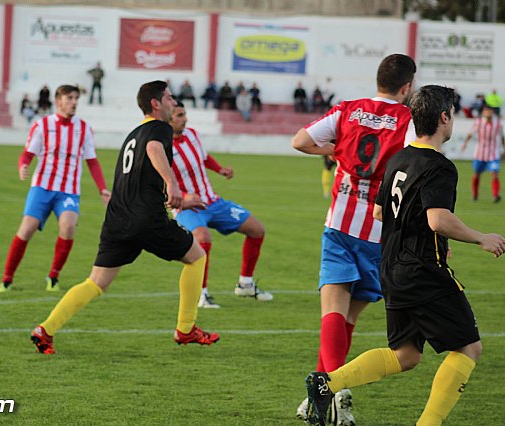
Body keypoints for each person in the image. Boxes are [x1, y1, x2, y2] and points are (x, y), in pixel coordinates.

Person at [303, 85, 505, 426]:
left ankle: (328, 382)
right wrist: (481, 237)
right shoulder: (439, 166)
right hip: (423, 270)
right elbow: (438, 219)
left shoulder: (399, 158)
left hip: (392, 268)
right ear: (444, 118)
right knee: (469, 348)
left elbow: (381, 212)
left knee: (407, 354)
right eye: (452, 114)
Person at [30, 81, 220, 354]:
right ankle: (186, 329)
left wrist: (171, 192)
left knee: (95, 282)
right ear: (155, 103)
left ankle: (45, 330)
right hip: (146, 219)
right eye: (168, 98)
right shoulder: (160, 128)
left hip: (118, 220)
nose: (174, 103)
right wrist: (173, 185)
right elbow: (155, 150)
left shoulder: (133, 134)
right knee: (197, 257)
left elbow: (140, 175)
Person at [292, 53, 417, 424]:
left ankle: (328, 390)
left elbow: (300, 141)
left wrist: (332, 149)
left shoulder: (348, 109)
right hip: (380, 232)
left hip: (341, 223)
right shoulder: (406, 119)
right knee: (346, 317)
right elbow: (416, 162)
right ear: (406, 87)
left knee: (334, 313)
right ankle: (326, 393)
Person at [0, 85, 111, 293]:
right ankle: (7, 279)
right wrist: (23, 165)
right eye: (70, 98)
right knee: (27, 229)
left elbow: (92, 161)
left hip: (68, 190)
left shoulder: (84, 128)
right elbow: (28, 154)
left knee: (68, 227)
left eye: (76, 98)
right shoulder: (42, 125)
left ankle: (53, 276)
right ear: (58, 101)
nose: (74, 102)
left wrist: (102, 188)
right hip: (42, 187)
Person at [170, 101, 272, 309]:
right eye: (179, 115)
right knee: (202, 238)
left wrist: (220, 169)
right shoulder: (161, 146)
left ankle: (245, 283)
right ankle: (202, 295)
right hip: (187, 207)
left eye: (185, 114)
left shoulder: (192, 135)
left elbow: (204, 157)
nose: (185, 118)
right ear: (168, 119)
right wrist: (184, 196)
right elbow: (160, 182)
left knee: (256, 230)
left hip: (213, 201)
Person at [460, 105, 504, 202]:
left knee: (494, 174)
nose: (488, 112)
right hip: (480, 154)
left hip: (493, 154)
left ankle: (495, 195)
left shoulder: (498, 124)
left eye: (489, 110)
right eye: (486, 110)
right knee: (477, 174)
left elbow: (502, 137)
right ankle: (475, 194)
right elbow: (470, 134)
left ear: (492, 112)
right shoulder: (479, 122)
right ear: (483, 112)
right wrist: (465, 143)